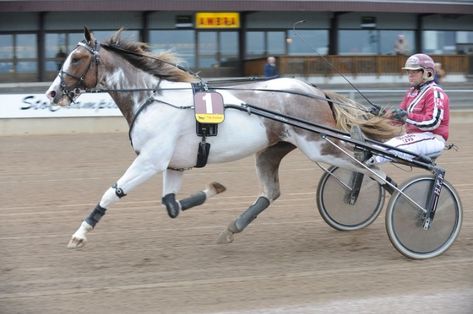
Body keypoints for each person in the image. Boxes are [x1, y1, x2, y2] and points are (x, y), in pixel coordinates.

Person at [368, 53, 449, 164]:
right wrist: (382, 114)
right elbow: (398, 119)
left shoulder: (435, 92)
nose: (410, 75)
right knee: (373, 145)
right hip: (413, 136)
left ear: (427, 73)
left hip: (432, 138)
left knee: (384, 149)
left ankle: (368, 163)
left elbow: (432, 122)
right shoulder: (411, 92)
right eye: (408, 71)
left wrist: (406, 117)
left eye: (414, 72)